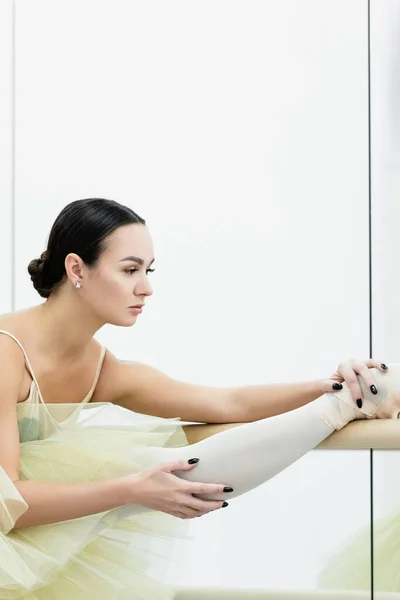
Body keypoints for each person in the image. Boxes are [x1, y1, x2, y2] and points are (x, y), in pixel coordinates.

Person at [0, 197, 399, 600]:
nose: (147, 287)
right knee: (143, 473)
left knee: (156, 470)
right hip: (10, 523)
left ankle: (345, 404)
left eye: (148, 270)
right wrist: (130, 490)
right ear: (76, 269)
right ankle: (344, 407)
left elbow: (227, 405)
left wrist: (330, 385)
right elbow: (10, 502)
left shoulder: (100, 367)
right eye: (130, 270)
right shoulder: (5, 353)